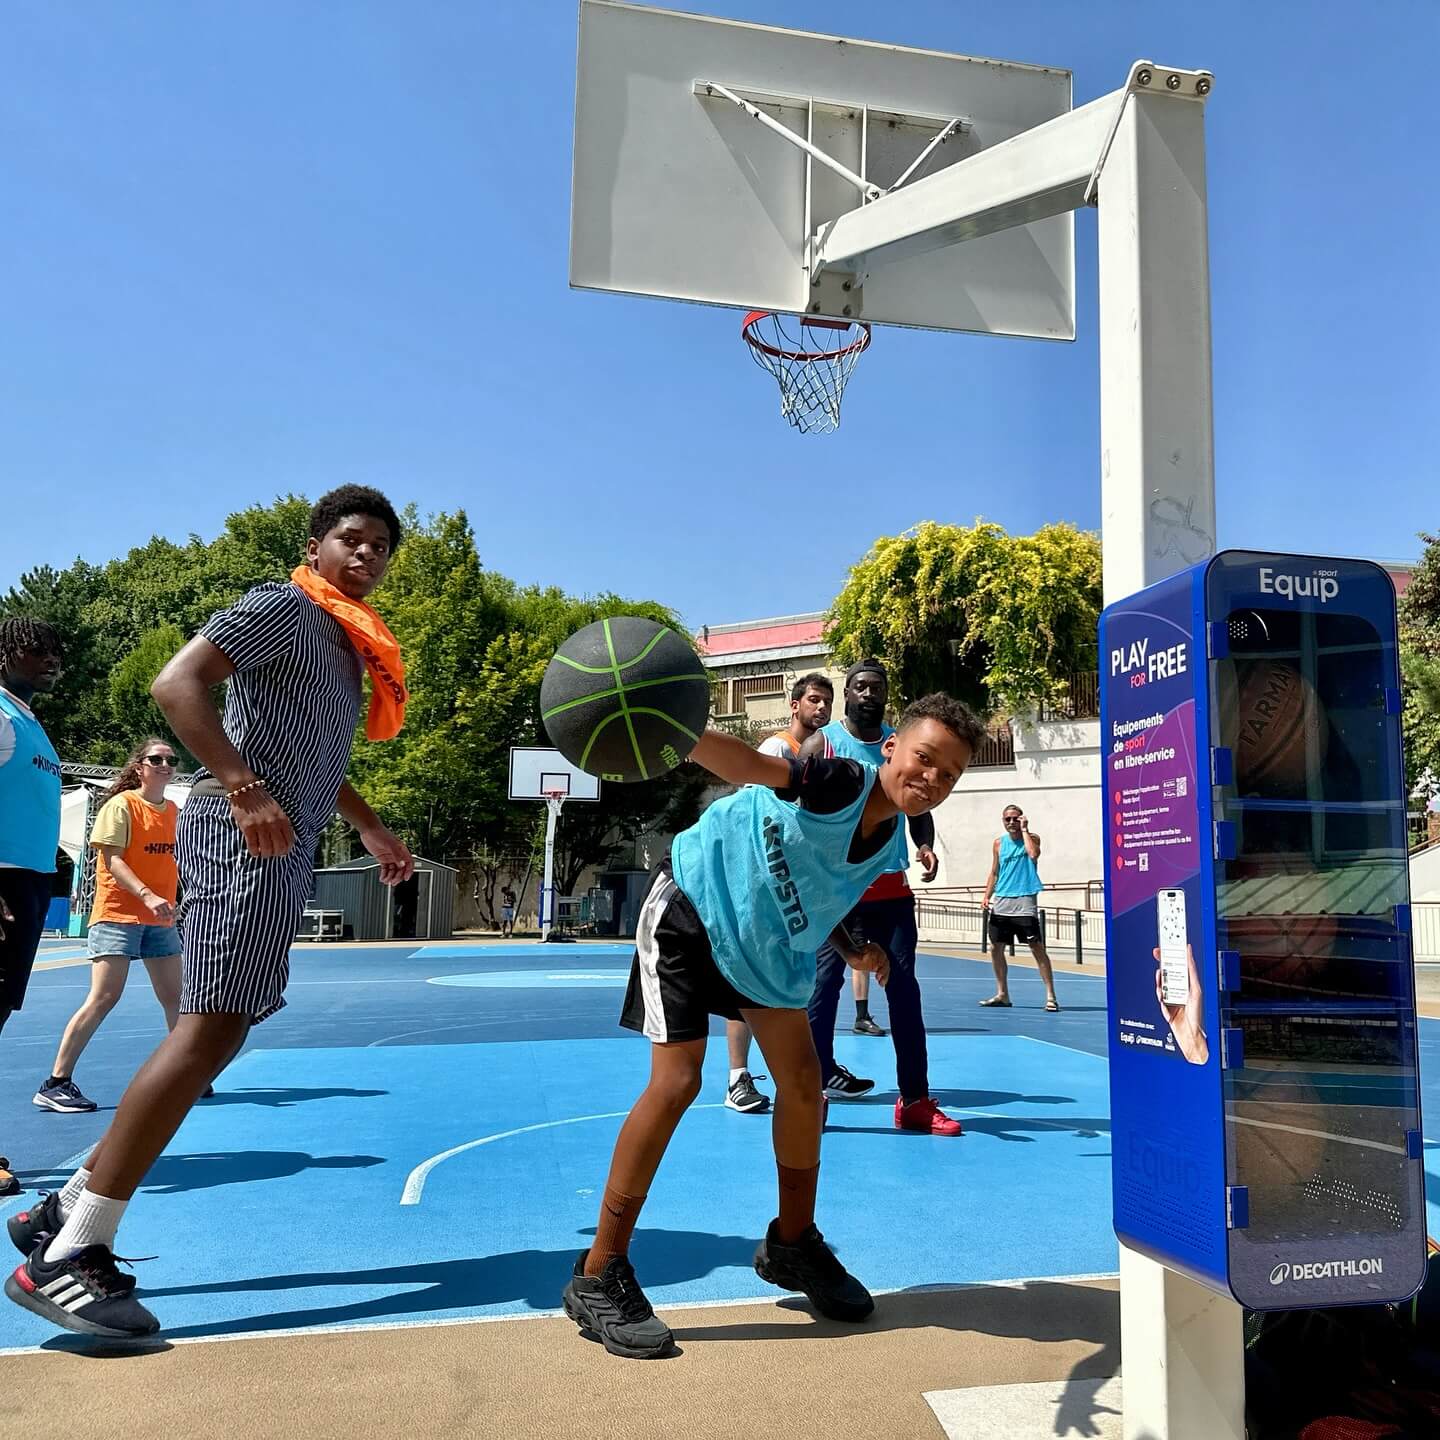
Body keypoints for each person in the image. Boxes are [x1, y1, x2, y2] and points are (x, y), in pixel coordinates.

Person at [6, 486, 415, 1339]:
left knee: (220, 1031)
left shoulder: (343, 643)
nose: (367, 553)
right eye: (352, 537)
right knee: (206, 1031)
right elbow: (175, 683)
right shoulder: (283, 608)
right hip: (242, 838)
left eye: (381, 544)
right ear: (316, 546)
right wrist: (240, 785)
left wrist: (371, 828)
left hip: (281, 843)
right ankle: (69, 1254)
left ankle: (64, 1210)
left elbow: (312, 755)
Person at [562, 693, 985, 1359]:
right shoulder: (842, 779)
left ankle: (793, 1243)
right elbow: (754, 769)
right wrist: (680, 733)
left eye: (950, 773)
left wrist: (854, 951)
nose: (932, 778)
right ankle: (599, 1271)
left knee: (802, 1081)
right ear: (893, 749)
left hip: (759, 942)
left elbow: (826, 892)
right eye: (926, 759)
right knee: (676, 1083)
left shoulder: (888, 844)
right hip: (694, 906)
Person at [804, 660, 961, 1137]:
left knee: (904, 989)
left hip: (889, 884)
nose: (869, 694)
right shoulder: (823, 743)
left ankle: (914, 1098)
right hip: (835, 889)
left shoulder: (903, 743)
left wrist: (926, 845)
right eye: (860, 686)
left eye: (878, 688)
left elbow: (919, 799)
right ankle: (811, 1095)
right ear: (846, 693)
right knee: (821, 988)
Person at [33, 739, 185, 1114]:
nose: (165, 764)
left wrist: (176, 900)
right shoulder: (121, 806)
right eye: (156, 758)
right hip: (118, 914)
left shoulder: (175, 811)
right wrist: (149, 895)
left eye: (170, 759)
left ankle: (187, 1073)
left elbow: (178, 862)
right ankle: (56, 1083)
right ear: (139, 767)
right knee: (104, 997)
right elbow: (113, 861)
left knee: (176, 998)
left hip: (159, 918)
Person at [726, 673, 834, 1116]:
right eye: (813, 700)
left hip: (795, 881)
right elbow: (758, 816)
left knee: (793, 981)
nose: (822, 708)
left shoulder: (823, 753)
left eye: (827, 701)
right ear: (794, 705)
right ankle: (737, 1078)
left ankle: (806, 1067)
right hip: (763, 879)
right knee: (748, 980)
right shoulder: (776, 750)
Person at [0, 618, 65, 1197]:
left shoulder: (26, 719)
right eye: (40, 649)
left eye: (58, 652)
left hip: (28, 883)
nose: (54, 659)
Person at [980, 803, 1061, 1012]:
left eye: (1015, 818)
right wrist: (987, 895)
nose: (1011, 823)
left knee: (1036, 947)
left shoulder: (1032, 838)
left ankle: (1051, 996)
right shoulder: (998, 844)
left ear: (1022, 819)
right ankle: (1002, 994)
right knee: (996, 948)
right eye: (1007, 819)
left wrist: (1024, 830)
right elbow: (995, 872)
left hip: (1024, 901)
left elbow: (1033, 854)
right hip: (1002, 902)